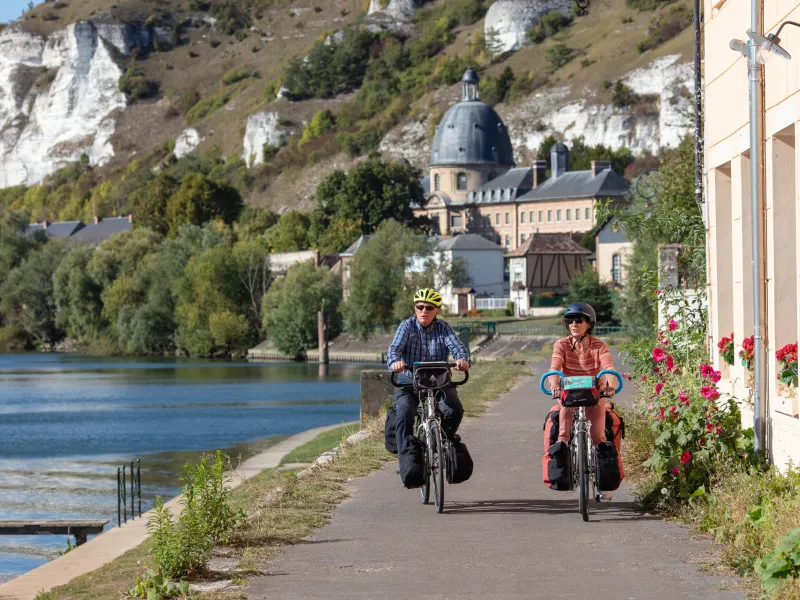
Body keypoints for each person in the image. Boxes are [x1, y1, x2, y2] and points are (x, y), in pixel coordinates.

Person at [387, 288, 470, 453]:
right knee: (404, 412)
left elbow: (457, 347)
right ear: (415, 309)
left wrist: (462, 360)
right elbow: (394, 349)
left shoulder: (443, 328)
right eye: (420, 307)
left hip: (438, 381)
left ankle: (443, 442)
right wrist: (396, 362)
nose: (424, 311)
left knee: (454, 410)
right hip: (410, 381)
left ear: (437, 310)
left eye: (429, 308)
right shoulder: (407, 326)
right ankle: (406, 456)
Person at [549, 302, 617, 446]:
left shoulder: (600, 346)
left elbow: (608, 368)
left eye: (579, 320)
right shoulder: (561, 345)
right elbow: (554, 367)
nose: (574, 324)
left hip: (593, 394)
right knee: (563, 434)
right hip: (569, 393)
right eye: (570, 320)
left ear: (589, 324)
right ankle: (564, 455)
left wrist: (610, 384)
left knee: (598, 437)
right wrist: (554, 384)